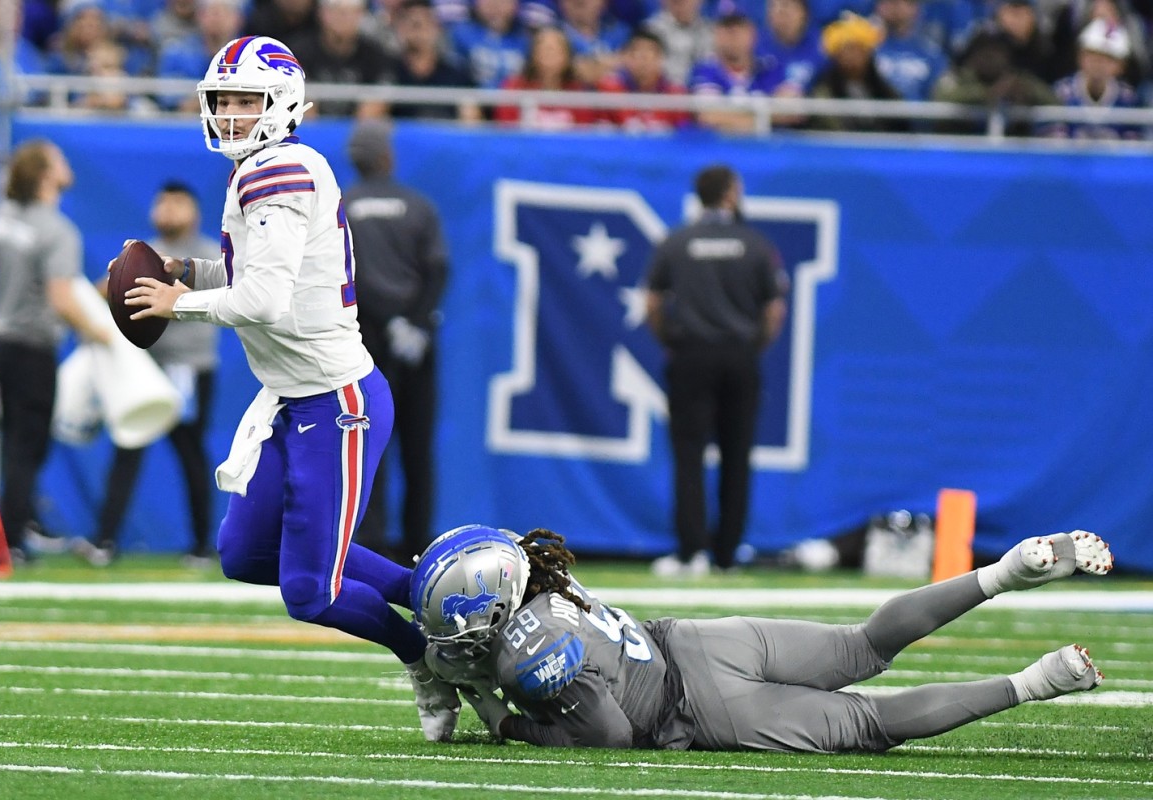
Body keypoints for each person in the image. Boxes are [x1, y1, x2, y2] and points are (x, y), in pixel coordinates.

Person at [117, 35, 460, 742]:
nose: (231, 114)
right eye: (224, 100)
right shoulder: (268, 168)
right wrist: (189, 270)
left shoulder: (278, 171)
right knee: (246, 552)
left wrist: (177, 303)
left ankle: (427, 657)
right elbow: (260, 272)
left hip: (336, 402)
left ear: (283, 103)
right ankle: (441, 603)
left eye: (247, 99)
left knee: (310, 591)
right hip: (293, 398)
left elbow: (265, 301)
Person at [412, 524, 1114, 751]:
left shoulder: (525, 654)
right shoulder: (546, 572)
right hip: (705, 641)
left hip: (702, 709)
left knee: (869, 723)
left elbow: (610, 735)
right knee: (863, 645)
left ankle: (1038, 681)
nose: (450, 624)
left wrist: (504, 721)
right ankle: (1002, 572)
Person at [643, 165, 788, 577]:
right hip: (739, 356)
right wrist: (752, 346)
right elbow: (775, 307)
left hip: (691, 355)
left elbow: (652, 302)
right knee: (736, 454)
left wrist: (672, 340)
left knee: (689, 454)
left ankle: (692, 552)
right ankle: (727, 554)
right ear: (729, 193)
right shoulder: (755, 244)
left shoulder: (677, 242)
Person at [0, 139, 113, 563]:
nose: (66, 165)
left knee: (15, 436)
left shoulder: (5, 216)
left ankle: (22, 519)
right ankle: (12, 538)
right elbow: (59, 298)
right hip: (31, 344)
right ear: (45, 175)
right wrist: (98, 331)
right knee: (28, 443)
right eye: (59, 160)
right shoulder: (58, 230)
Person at [74, 182, 222, 568]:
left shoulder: (206, 256)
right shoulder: (142, 253)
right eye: (162, 203)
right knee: (128, 446)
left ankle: (202, 545)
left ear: (194, 210)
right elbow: (104, 292)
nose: (168, 210)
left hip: (189, 368)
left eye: (177, 203)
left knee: (190, 454)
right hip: (146, 366)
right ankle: (105, 540)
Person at [343, 120, 448, 565]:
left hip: (362, 342)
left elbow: (341, 274)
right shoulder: (417, 206)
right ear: (387, 157)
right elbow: (438, 269)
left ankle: (369, 545)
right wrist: (415, 323)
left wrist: (384, 321)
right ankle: (419, 546)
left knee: (368, 444)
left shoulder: (341, 207)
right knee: (417, 446)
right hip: (415, 344)